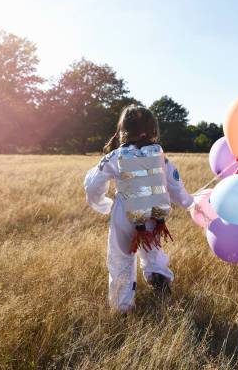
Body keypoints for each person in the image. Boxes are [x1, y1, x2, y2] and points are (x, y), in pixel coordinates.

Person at [83, 105, 193, 313]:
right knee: (153, 253)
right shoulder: (161, 158)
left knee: (121, 258)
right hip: (153, 215)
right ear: (153, 130)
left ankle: (122, 307)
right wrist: (189, 202)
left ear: (123, 129)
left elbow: (93, 185)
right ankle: (160, 285)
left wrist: (102, 204)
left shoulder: (115, 156)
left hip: (123, 213)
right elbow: (176, 188)